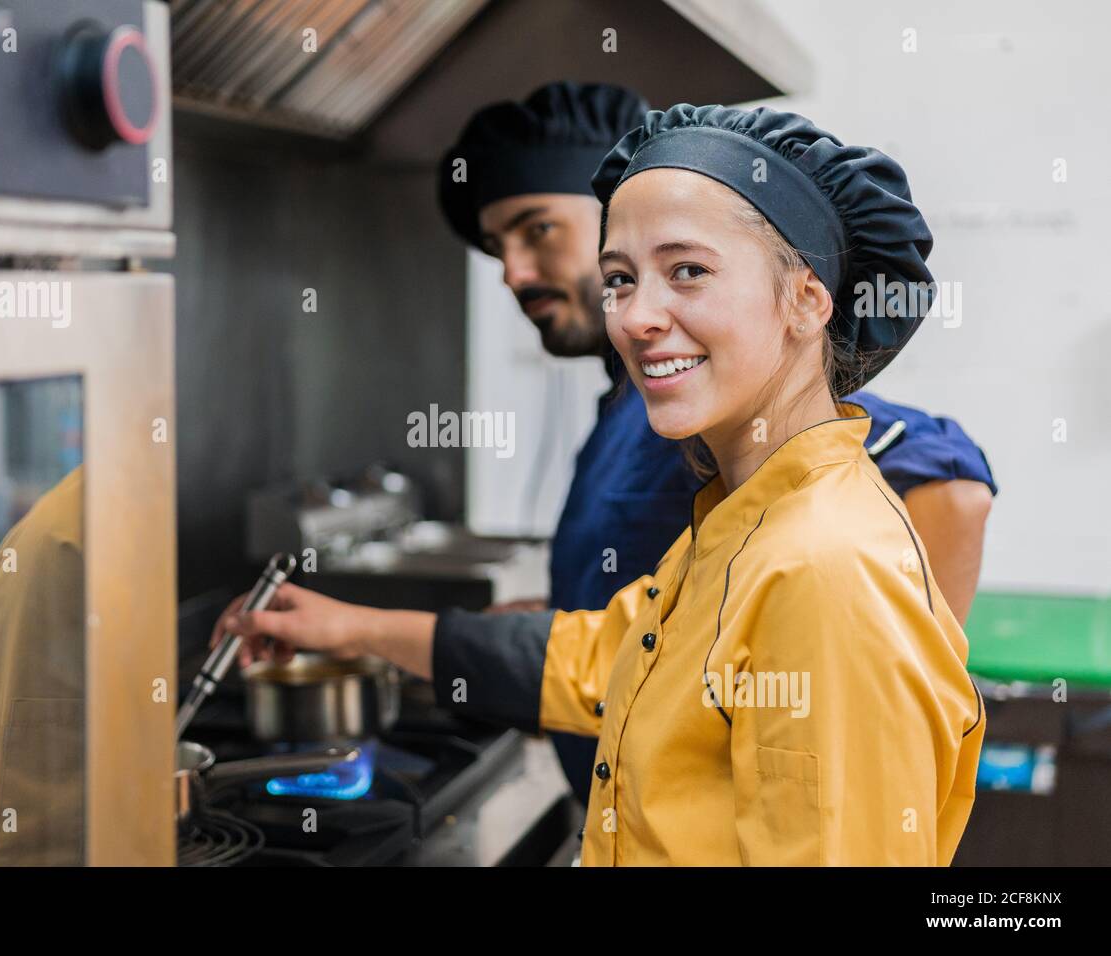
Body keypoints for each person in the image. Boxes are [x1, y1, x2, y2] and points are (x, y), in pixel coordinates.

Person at [216, 103, 984, 865]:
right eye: (619, 278)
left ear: (807, 299)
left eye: (689, 271)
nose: (636, 317)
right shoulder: (737, 521)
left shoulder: (824, 569)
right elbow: (607, 658)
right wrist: (347, 628)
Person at [432, 82, 995, 806]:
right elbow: (657, 634)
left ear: (805, 300)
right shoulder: (671, 434)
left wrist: (896, 682)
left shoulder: (794, 505)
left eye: (537, 229)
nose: (512, 272)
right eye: (621, 279)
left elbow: (951, 477)